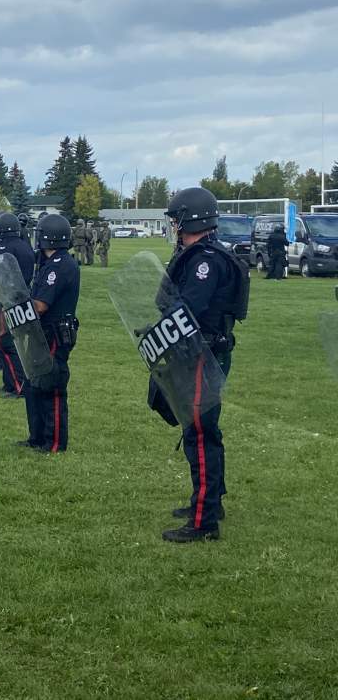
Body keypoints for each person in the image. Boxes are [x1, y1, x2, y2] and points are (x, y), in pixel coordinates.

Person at [158, 188, 246, 543]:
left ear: (190, 218)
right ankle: (211, 501)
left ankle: (203, 520)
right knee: (202, 429)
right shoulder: (194, 255)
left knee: (200, 432)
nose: (173, 225)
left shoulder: (204, 261)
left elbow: (186, 309)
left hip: (202, 354)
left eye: (175, 218)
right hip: (198, 353)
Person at [21, 214, 80, 454]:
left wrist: (19, 306)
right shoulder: (48, 262)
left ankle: (54, 442)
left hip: (54, 332)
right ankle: (37, 437)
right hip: (41, 331)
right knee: (34, 383)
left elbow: (41, 304)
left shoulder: (59, 265)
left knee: (51, 385)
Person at [0, 213, 36, 397]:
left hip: (8, 298)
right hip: (22, 297)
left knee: (7, 343)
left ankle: (18, 385)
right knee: (13, 342)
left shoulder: (3, 247)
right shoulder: (25, 245)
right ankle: (9, 383)